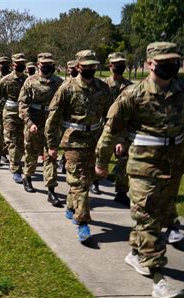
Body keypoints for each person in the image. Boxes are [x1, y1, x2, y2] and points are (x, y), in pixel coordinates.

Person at [95, 42, 184, 298]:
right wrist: (102, 161)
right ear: (150, 63)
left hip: (173, 165)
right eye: (164, 61)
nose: (170, 65)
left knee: (159, 216)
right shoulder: (133, 94)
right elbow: (111, 129)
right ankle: (158, 279)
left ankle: (135, 253)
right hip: (141, 167)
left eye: (174, 61)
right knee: (148, 217)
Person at [45, 50, 112, 242]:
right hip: (73, 141)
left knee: (88, 178)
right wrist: (52, 145)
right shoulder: (67, 88)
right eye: (86, 66)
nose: (90, 69)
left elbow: (111, 115)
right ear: (78, 66)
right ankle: (83, 222)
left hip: (95, 140)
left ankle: (70, 205)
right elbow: (53, 119)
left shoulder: (103, 88)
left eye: (93, 66)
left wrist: (114, 140)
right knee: (81, 182)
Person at [19, 52, 63, 207]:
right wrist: (29, 122)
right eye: (43, 64)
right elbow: (23, 105)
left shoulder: (59, 82)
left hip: (51, 124)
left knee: (51, 155)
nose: (46, 67)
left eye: (49, 64)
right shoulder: (30, 82)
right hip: (34, 123)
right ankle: (28, 177)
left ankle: (51, 190)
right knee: (31, 153)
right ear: (38, 65)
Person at [0, 53, 28, 183]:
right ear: (13, 65)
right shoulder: (5, 80)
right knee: (13, 141)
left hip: (25, 115)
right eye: (18, 64)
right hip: (10, 114)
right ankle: (16, 169)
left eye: (22, 63)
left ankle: (16, 162)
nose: (21, 65)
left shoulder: (28, 80)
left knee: (22, 141)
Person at [104, 52, 133, 206]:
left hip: (124, 129)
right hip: (105, 128)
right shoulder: (102, 85)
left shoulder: (130, 86)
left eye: (122, 64)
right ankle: (95, 182)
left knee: (124, 160)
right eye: (117, 64)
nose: (120, 67)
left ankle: (121, 192)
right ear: (110, 66)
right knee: (101, 158)